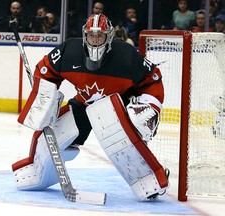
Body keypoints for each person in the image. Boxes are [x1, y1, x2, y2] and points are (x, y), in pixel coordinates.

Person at [12, 14, 169, 201]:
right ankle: (37, 170)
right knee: (59, 132)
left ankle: (149, 179)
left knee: (120, 136)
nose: (95, 40)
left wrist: (149, 106)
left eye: (100, 36)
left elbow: (153, 78)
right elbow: (45, 71)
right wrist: (45, 101)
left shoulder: (125, 55)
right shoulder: (69, 50)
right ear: (84, 35)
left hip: (119, 106)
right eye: (91, 35)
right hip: (84, 104)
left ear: (109, 37)